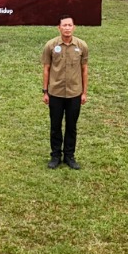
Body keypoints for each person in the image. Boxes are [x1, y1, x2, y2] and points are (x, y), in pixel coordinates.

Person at [41, 16, 90, 170]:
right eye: (64, 25)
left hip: (75, 93)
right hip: (55, 92)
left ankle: (69, 156)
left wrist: (84, 92)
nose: (67, 28)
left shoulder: (81, 46)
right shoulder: (51, 45)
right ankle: (55, 156)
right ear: (59, 28)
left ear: (74, 27)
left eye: (70, 25)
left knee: (71, 126)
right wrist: (45, 91)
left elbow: (84, 69)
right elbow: (46, 69)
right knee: (55, 126)